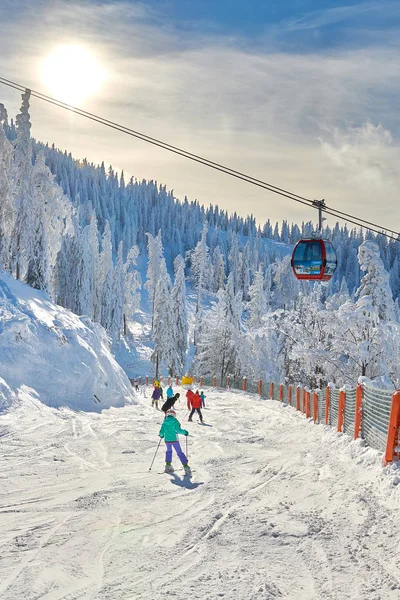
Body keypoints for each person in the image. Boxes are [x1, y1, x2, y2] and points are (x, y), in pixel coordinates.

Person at [159, 408, 191, 474]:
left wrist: (161, 435)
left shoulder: (164, 422)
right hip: (175, 440)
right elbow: (178, 430)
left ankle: (168, 465)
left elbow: (161, 432)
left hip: (167, 440)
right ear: (174, 415)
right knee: (179, 452)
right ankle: (185, 466)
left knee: (169, 451)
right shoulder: (175, 421)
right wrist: (185, 432)